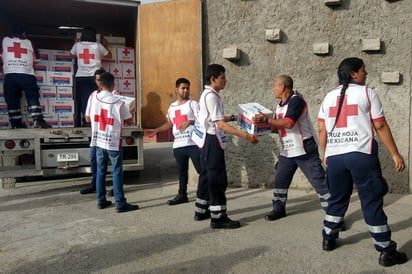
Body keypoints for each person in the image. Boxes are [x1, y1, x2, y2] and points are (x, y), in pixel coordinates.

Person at [317, 57, 407, 267]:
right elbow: (380, 125)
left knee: (337, 199)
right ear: (353, 74)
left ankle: (328, 239)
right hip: (361, 155)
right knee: (371, 200)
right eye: (363, 70)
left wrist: (326, 154)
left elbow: (321, 128)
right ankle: (386, 250)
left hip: (335, 157)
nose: (366, 74)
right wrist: (395, 153)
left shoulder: (328, 97)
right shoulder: (367, 93)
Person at [253, 75, 330, 221]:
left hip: (303, 148)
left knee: (319, 181)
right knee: (280, 180)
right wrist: (259, 129)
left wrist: (267, 120)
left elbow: (288, 123)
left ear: (282, 87)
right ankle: (278, 209)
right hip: (287, 150)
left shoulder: (296, 101)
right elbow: (277, 127)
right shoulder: (279, 105)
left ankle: (334, 215)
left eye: (275, 86)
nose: (273, 89)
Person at [191, 64, 259, 229]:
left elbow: (215, 118)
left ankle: (201, 210)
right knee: (217, 179)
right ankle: (218, 217)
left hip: (204, 141)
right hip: (211, 141)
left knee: (206, 175)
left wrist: (235, 117)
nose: (225, 81)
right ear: (213, 79)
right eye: (222, 77)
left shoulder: (207, 94)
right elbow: (219, 124)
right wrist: (245, 135)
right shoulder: (212, 97)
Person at [85, 72, 139, 213]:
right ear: (113, 85)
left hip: (98, 140)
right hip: (113, 142)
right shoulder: (119, 103)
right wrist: (131, 111)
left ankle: (100, 200)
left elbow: (87, 119)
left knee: (100, 171)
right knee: (116, 172)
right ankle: (120, 203)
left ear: (100, 84)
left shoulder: (93, 97)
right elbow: (128, 121)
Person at [145, 78, 201, 205]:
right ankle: (182, 195)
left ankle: (206, 193)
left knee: (201, 170)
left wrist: (190, 121)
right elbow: (169, 123)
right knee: (182, 171)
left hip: (193, 143)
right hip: (179, 145)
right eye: (183, 88)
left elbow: (203, 119)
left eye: (188, 88)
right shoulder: (172, 107)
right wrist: (157, 130)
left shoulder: (193, 104)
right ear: (176, 90)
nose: (186, 90)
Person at [0, 24, 50, 129]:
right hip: (27, 74)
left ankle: (15, 124)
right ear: (23, 33)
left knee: (12, 99)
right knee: (32, 97)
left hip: (10, 75)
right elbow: (36, 59)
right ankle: (38, 121)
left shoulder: (4, 41)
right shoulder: (29, 42)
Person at [80, 68, 112, 197]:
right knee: (94, 162)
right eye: (97, 80)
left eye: (101, 80)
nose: (99, 82)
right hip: (96, 136)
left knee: (114, 164)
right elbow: (87, 117)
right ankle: (96, 186)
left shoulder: (114, 94)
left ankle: (115, 188)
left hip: (109, 136)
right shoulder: (93, 95)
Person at [71, 27, 111, 127]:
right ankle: (97, 120)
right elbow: (109, 55)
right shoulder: (98, 45)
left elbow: (71, 55)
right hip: (95, 77)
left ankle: (86, 121)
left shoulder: (77, 45)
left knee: (85, 99)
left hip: (81, 76)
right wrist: (105, 45)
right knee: (97, 98)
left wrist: (75, 43)